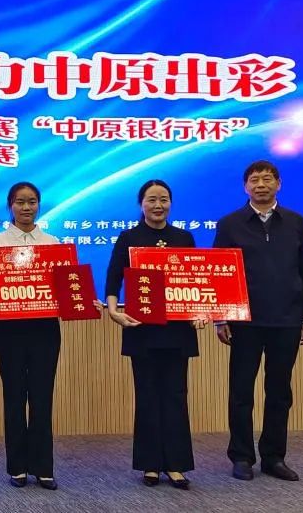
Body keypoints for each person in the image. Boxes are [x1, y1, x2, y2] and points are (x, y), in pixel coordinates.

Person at [0, 182, 91, 490]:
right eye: (20, 202)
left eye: (32, 201)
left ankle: (43, 467)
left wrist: (84, 299)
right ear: (10, 205)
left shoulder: (53, 243)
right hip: (9, 331)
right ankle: (18, 467)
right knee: (14, 397)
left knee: (41, 397)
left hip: (44, 330)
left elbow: (68, 289)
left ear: (39, 205)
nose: (26, 207)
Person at [213, 160, 303, 482]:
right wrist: (220, 318)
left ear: (278, 184)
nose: (261, 184)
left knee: (280, 391)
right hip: (244, 321)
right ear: (245, 186)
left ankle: (274, 457)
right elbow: (220, 274)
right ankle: (242, 456)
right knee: (241, 391)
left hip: (287, 319)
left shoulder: (296, 222)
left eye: (267, 179)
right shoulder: (230, 224)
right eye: (254, 180)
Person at [105, 179, 203, 490]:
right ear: (141, 204)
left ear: (170, 203)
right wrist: (113, 311)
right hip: (141, 330)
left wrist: (200, 312)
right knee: (147, 396)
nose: (158, 205)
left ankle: (176, 465)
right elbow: (113, 278)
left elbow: (195, 280)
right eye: (151, 199)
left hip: (177, 331)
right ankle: (149, 464)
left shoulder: (184, 238)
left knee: (175, 396)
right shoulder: (129, 238)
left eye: (163, 199)